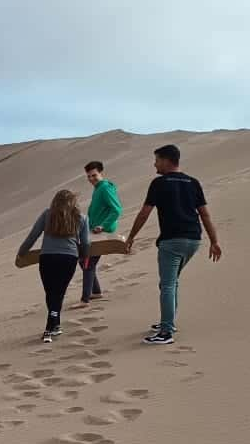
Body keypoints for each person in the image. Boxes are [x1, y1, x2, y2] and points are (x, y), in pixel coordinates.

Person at [123, 144, 223, 345]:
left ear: (167, 160)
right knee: (171, 281)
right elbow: (204, 214)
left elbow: (144, 213)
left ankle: (166, 332)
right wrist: (214, 241)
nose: (154, 165)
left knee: (167, 284)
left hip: (171, 241)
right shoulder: (193, 182)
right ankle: (168, 322)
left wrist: (131, 236)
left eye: (157, 160)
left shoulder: (159, 183)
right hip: (193, 240)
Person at [16, 189, 91, 342]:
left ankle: (52, 326)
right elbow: (86, 243)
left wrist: (21, 252)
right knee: (59, 292)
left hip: (47, 258)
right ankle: (52, 326)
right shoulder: (81, 218)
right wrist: (83, 257)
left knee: (51, 293)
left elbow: (33, 235)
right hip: (69, 259)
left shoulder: (47, 214)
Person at [81, 160, 123, 302]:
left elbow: (116, 209)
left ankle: (85, 299)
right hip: (94, 231)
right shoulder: (98, 188)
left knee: (87, 262)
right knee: (84, 261)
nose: (91, 179)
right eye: (89, 176)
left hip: (102, 232)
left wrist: (103, 226)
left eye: (94, 175)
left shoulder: (105, 187)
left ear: (101, 173)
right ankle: (95, 291)